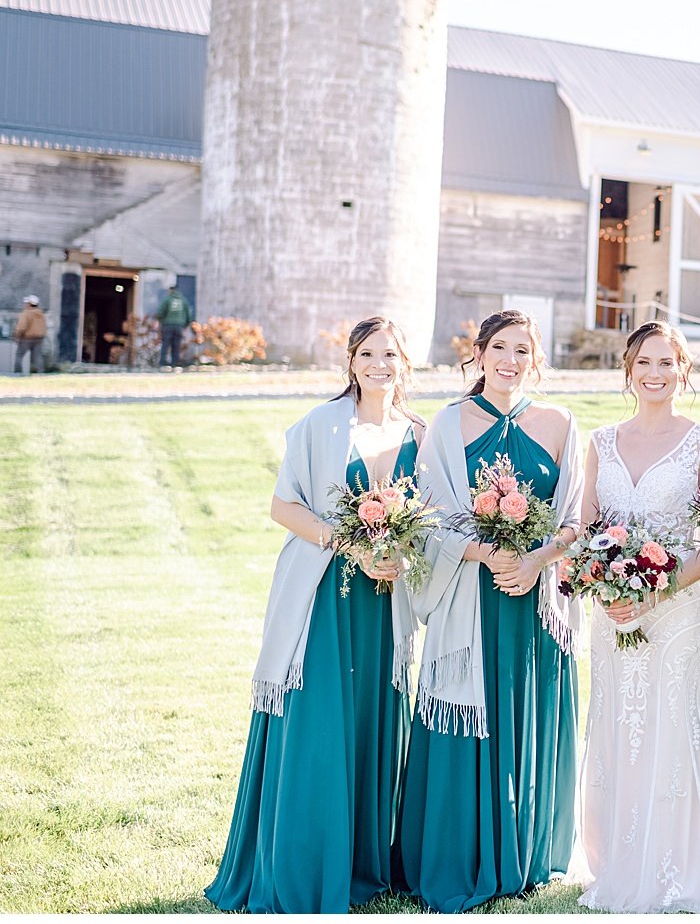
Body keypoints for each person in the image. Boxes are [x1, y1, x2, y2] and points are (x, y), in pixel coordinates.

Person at [206, 317, 423, 913]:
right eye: (368, 353)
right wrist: (350, 544)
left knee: (367, 723)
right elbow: (282, 505)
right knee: (318, 727)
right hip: (323, 597)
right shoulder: (320, 425)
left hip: (382, 606)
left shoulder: (419, 433)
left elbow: (427, 520)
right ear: (351, 362)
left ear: (404, 363)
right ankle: (301, 870)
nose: (380, 364)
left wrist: (397, 557)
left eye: (391, 354)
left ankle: (358, 865)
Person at [397, 310, 583, 911]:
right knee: (468, 716)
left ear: (537, 360)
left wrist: (535, 561)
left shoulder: (561, 424)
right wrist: (480, 551)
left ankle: (527, 852)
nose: (509, 359)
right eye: (499, 347)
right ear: (477, 354)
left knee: (525, 715)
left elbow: (577, 516)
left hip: (533, 605)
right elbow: (424, 515)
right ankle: (455, 851)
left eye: (522, 350)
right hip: (469, 598)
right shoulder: (446, 426)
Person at [574, 320, 700, 913]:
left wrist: (659, 587)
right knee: (621, 730)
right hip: (615, 614)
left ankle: (674, 869)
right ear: (629, 370)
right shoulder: (599, 441)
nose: (655, 373)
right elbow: (586, 529)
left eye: (667, 363)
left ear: (683, 372)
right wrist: (603, 584)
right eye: (645, 362)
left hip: (678, 614)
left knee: (671, 732)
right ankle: (619, 863)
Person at [156, 283, 193, 366]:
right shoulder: (184, 300)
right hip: (179, 326)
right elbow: (188, 315)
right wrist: (185, 325)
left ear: (170, 290)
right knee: (176, 345)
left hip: (168, 325)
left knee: (165, 344)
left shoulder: (167, 299)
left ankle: (162, 363)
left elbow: (160, 313)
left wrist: (162, 321)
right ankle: (175, 363)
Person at [13, 295, 46, 374]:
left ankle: (17, 373)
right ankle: (41, 374)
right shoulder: (41, 314)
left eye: (27, 303)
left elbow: (22, 327)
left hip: (27, 338)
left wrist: (17, 335)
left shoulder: (26, 313)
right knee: (37, 357)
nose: (25, 304)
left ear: (30, 304)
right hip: (39, 338)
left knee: (19, 355)